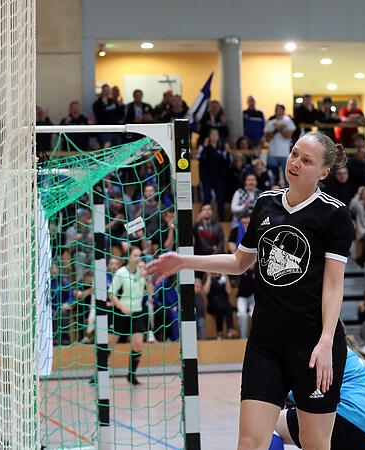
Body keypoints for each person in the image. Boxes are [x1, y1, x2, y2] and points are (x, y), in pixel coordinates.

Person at [146, 131, 354, 449]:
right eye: (294, 154)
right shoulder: (266, 204)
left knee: (314, 443)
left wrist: (326, 340)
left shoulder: (335, 214)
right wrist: (184, 261)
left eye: (306, 160)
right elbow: (239, 262)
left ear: (323, 173)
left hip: (313, 347)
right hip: (265, 344)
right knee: (250, 442)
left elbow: (333, 283)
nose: (295, 162)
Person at [274, 330, 365, 450]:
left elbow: (303, 391)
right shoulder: (355, 357)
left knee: (266, 424)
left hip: (345, 418)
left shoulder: (326, 351)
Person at [110, 246, 153, 385]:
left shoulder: (142, 273)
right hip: (120, 312)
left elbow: (151, 293)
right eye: (135, 255)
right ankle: (97, 374)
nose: (138, 258)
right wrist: (122, 307)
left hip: (138, 312)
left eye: (139, 255)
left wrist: (148, 277)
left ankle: (131, 375)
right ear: (128, 257)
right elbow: (111, 293)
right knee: (109, 345)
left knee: (138, 344)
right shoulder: (121, 273)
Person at [197, 128, 231, 220]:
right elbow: (200, 159)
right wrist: (204, 146)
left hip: (219, 177)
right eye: (212, 135)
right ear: (209, 136)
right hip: (207, 177)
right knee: (207, 198)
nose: (214, 137)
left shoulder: (221, 148)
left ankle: (222, 219)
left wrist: (227, 152)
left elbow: (227, 162)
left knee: (221, 199)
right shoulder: (204, 147)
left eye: (216, 135)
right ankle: (203, 218)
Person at [264, 103, 296, 186]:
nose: (277, 110)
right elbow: (267, 138)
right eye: (276, 108)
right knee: (273, 175)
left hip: (284, 153)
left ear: (283, 110)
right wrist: (276, 129)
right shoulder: (270, 123)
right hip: (272, 152)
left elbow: (288, 136)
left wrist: (280, 129)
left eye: (279, 108)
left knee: (287, 176)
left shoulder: (288, 122)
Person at [203, 272, 238, 339]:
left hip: (224, 302)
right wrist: (209, 276)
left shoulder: (224, 277)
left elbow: (229, 291)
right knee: (219, 307)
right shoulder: (209, 278)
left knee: (229, 307)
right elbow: (206, 291)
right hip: (212, 304)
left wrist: (226, 276)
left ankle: (230, 330)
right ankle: (220, 332)